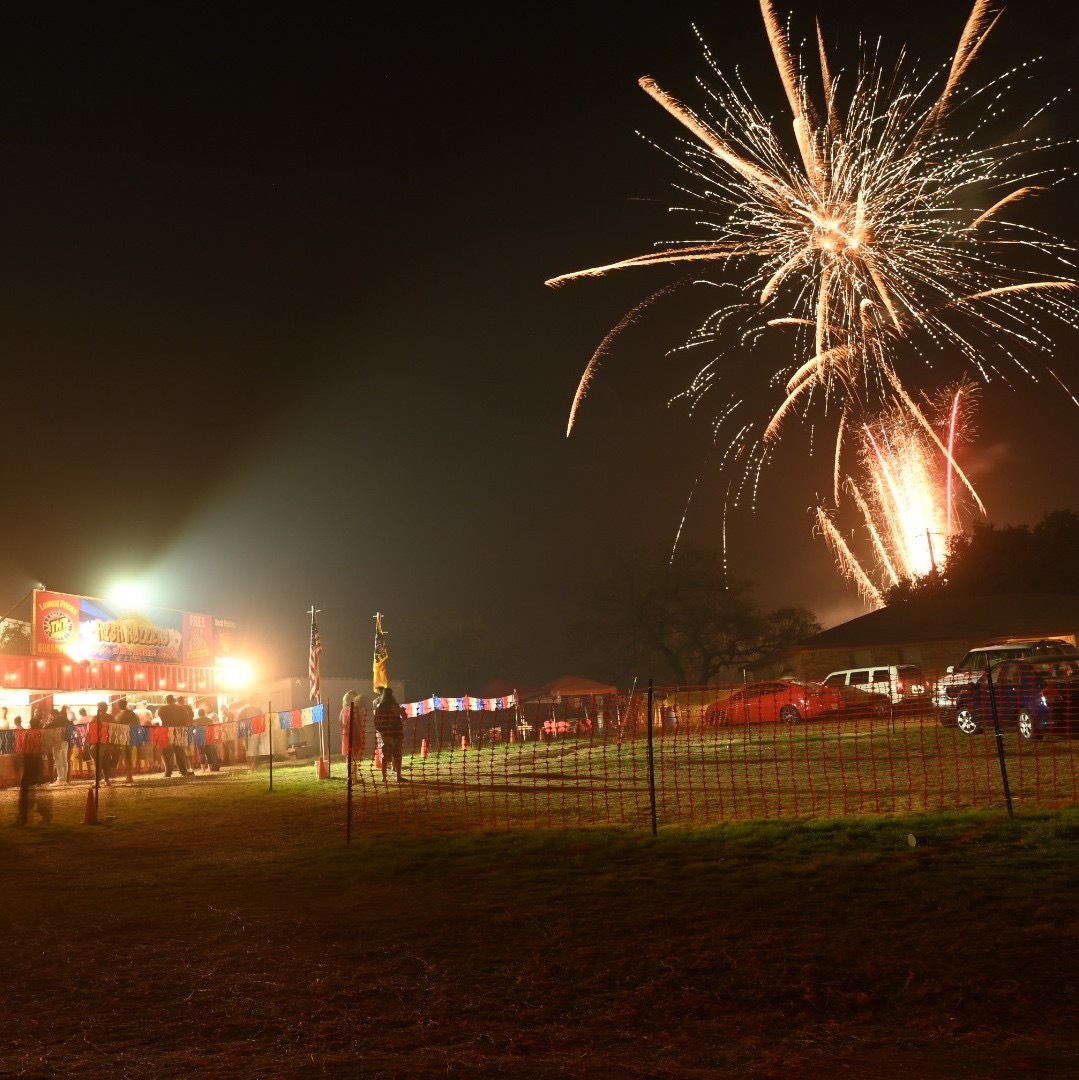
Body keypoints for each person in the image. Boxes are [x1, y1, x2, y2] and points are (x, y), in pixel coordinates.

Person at [18, 713, 50, 824]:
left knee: (25, 783)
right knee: (38, 781)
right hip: (36, 758)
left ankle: (24, 814)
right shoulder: (40, 733)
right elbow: (43, 746)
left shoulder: (26, 733)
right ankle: (43, 813)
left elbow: (22, 747)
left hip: (28, 758)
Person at [156, 694, 194, 777]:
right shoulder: (181, 708)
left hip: (167, 730)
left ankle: (168, 772)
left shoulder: (162, 708)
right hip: (179, 730)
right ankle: (183, 771)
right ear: (174, 700)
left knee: (167, 752)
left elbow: (160, 717)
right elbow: (186, 719)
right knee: (180, 751)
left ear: (167, 700)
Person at [373, 685, 405, 783]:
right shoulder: (395, 705)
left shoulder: (379, 707)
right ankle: (398, 777)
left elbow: (376, 722)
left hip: (386, 735)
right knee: (397, 755)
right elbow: (404, 716)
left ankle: (384, 777)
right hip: (396, 734)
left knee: (385, 755)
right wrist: (402, 712)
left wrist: (382, 730)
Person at [44, 707, 70, 784]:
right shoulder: (66, 720)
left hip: (58, 742)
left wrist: (48, 722)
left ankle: (60, 779)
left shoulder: (56, 721)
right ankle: (64, 779)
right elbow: (72, 726)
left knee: (58, 760)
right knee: (65, 760)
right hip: (66, 741)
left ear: (53, 715)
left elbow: (46, 728)